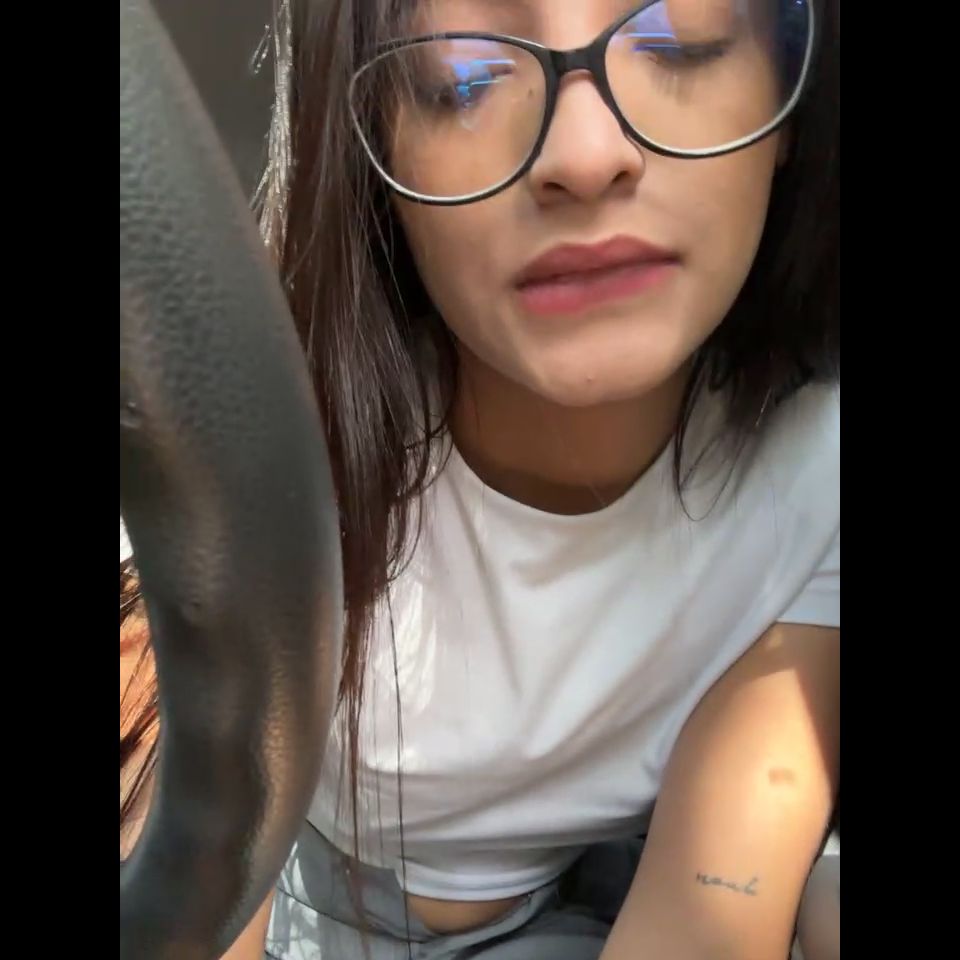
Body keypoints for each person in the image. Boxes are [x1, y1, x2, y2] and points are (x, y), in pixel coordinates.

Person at [120, 0, 840, 956]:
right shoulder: (275, 434)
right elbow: (191, 874)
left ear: (791, 102)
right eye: (461, 81)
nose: (586, 155)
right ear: (376, 155)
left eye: (680, 38)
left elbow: (710, 908)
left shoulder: (814, 479)